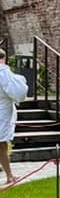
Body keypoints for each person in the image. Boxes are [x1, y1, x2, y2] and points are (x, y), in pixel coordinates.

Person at [0, 48, 29, 185]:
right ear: (3, 59)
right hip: (2, 113)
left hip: (3, 111)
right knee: (1, 144)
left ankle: (9, 174)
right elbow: (18, 93)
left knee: (3, 144)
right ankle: (10, 176)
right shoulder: (3, 73)